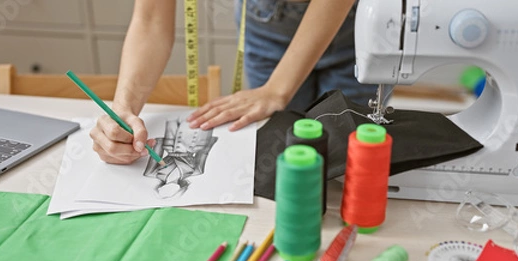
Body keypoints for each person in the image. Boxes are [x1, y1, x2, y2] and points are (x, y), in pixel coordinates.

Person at [90, 0, 376, 164]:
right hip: (267, 21)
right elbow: (151, 18)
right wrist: (124, 109)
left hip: (357, 22)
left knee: (347, 158)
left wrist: (276, 90)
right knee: (281, 154)